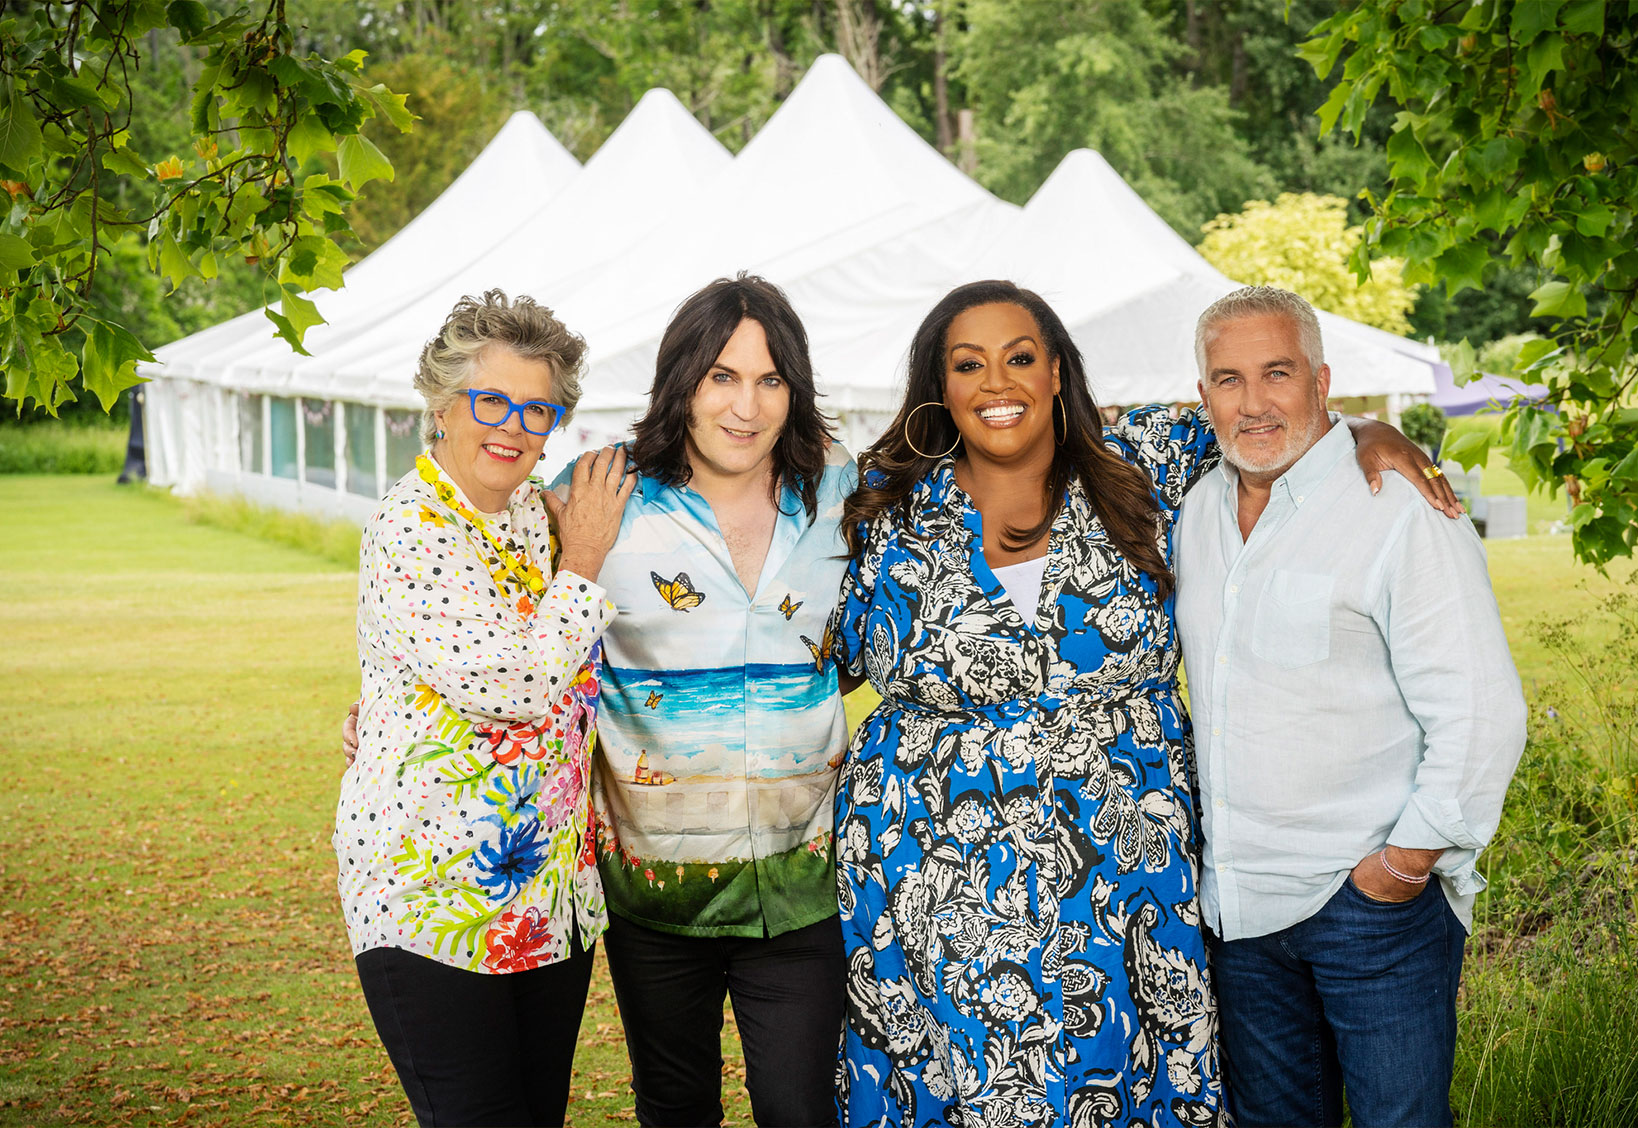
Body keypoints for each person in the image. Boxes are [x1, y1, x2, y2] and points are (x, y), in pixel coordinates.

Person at [829, 280, 1454, 1127]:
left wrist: (1373, 431)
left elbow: (1272, 415)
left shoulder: (1140, 462)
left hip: (1126, 873)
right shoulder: (891, 506)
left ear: (1056, 371)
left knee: (1122, 1082)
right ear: (941, 387)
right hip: (936, 874)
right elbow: (827, 660)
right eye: (968, 364)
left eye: (1019, 357)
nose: (997, 383)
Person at [348, 274, 855, 1125]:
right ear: (682, 383)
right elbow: (491, 639)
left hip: (775, 886)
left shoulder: (843, 498)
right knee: (670, 1107)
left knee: (802, 1112)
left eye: (770, 379)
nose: (746, 404)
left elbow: (879, 636)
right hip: (624, 890)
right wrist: (386, 700)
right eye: (722, 376)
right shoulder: (595, 502)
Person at [1172, 286, 1527, 1128]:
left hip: (1370, 909)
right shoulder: (1192, 513)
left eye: (1277, 373)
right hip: (1239, 913)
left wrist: (1399, 871)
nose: (1253, 402)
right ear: (1203, 397)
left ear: (1323, 382)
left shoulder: (1400, 509)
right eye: (1228, 379)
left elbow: (1482, 712)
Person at [334, 290, 634, 1128]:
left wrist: (384, 708)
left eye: (537, 409)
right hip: (435, 900)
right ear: (440, 404)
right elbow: (511, 689)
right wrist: (585, 564)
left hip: (547, 898)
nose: (512, 425)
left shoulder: (539, 520)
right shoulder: (413, 523)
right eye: (491, 400)